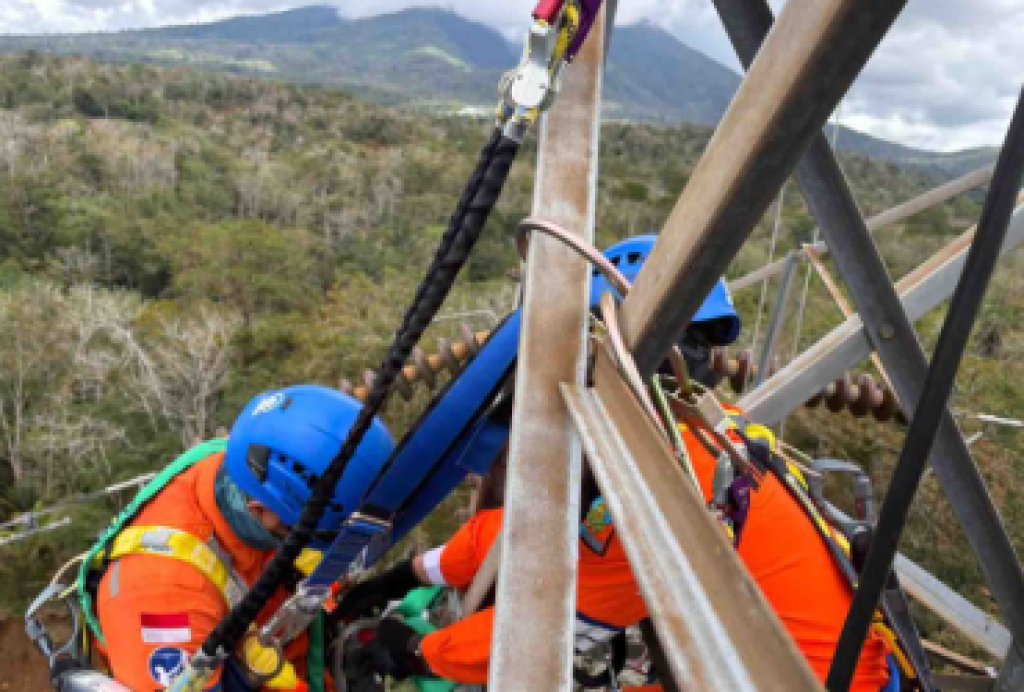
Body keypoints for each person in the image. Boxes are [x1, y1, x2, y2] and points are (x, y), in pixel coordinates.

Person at [331, 235, 894, 692]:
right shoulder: (710, 431)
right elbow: (523, 534)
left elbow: (536, 641)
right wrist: (406, 575)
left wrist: (410, 651)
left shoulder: (657, 481)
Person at [90, 384, 394, 691]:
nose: (319, 541)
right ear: (260, 510)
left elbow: (286, 570)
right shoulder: (163, 595)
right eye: (319, 534)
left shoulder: (248, 467)